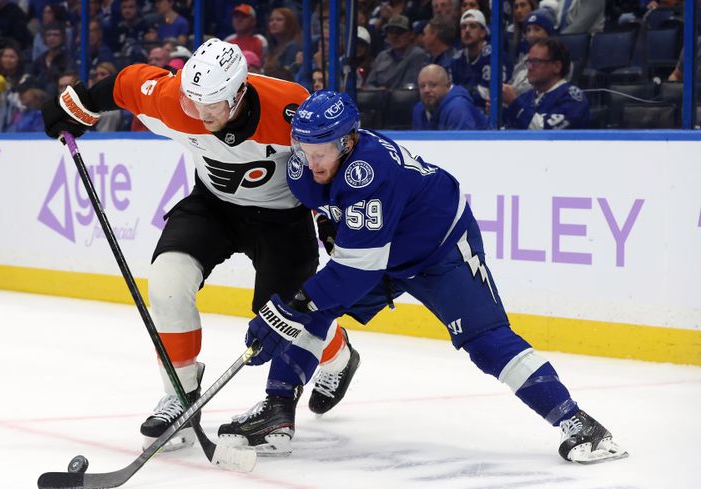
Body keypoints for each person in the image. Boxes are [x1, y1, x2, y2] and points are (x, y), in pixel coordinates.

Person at [219, 89, 628, 465]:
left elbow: (357, 270)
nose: (312, 161)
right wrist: (325, 238)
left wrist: (292, 307)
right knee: (312, 310)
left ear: (348, 141)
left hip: (439, 251)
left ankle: (580, 425)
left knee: (485, 342)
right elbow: (325, 209)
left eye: (322, 150)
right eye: (303, 149)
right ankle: (276, 412)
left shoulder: (371, 172)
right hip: (380, 250)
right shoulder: (306, 165)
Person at [40, 38, 360, 453]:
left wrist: (331, 216)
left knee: (283, 319)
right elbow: (121, 85)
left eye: (210, 109)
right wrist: (75, 106)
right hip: (213, 207)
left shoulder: (290, 108)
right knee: (168, 281)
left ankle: (338, 355)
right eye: (193, 105)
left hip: (282, 220)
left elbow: (332, 162)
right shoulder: (176, 98)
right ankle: (182, 395)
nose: (198, 117)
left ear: (239, 94)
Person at [504, 37, 589, 129]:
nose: (530, 67)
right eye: (529, 62)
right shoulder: (526, 96)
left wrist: (514, 103)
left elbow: (546, 132)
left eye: (536, 62)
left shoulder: (572, 97)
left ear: (557, 66)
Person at [451, 9, 512, 108]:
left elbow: (495, 92)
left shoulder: (496, 56)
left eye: (473, 26)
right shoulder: (456, 59)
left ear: (483, 32)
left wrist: (462, 92)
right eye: (463, 27)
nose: (467, 30)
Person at [364, 15, 429, 90]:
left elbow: (410, 89)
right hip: (378, 99)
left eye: (399, 32)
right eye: (391, 32)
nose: (394, 36)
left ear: (411, 34)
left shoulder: (417, 55)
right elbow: (368, 85)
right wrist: (378, 91)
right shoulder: (382, 56)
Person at [414, 64, 488, 129]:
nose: (426, 90)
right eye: (422, 86)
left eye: (432, 85)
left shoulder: (458, 108)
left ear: (447, 86)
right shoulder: (419, 109)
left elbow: (461, 144)